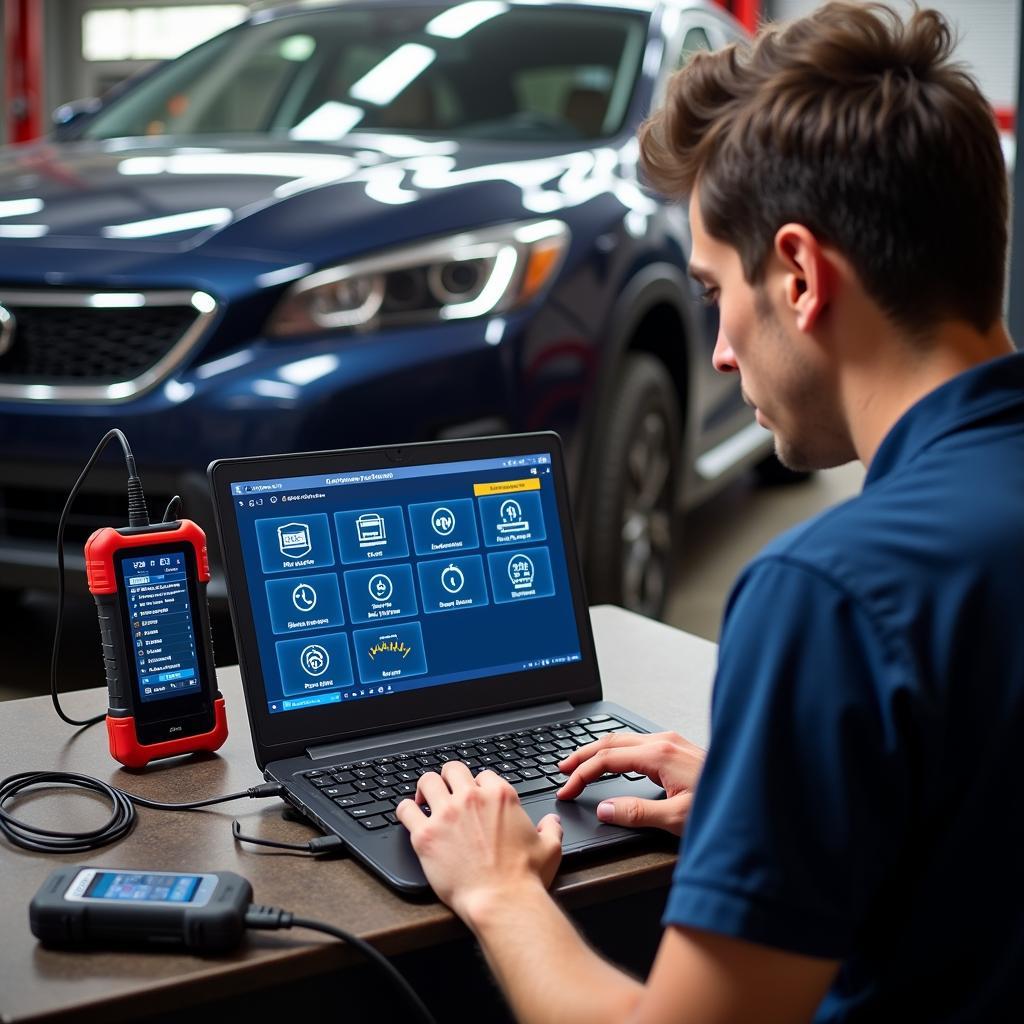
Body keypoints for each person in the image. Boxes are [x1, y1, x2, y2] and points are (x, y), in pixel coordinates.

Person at [395, 2, 1024, 1020]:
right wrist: (770, 795)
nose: (722, 351)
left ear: (798, 274)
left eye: (712, 290)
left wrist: (498, 887)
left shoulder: (832, 593)